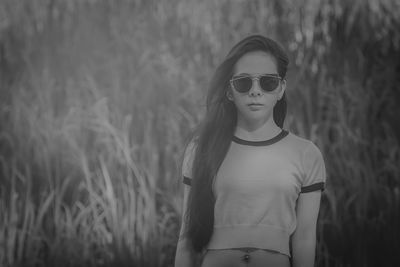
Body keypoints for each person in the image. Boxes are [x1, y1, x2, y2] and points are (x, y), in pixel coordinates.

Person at [174, 34, 326, 267]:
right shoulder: (201, 150)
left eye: (268, 82)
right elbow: (186, 240)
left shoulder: (306, 154)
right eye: (244, 82)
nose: (255, 91)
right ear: (229, 91)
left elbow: (305, 240)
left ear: (281, 89)